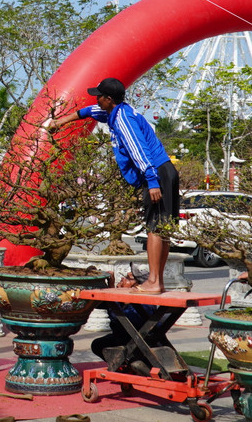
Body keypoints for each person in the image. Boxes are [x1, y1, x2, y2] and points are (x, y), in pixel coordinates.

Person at [49, 77, 179, 294]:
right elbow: (88, 111)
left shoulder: (123, 121)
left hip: (157, 173)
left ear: (109, 99)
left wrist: (152, 181)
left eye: (99, 96)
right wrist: (59, 123)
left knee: (155, 228)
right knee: (162, 228)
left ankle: (154, 281)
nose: (96, 99)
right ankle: (158, 281)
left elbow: (139, 150)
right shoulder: (116, 111)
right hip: (164, 171)